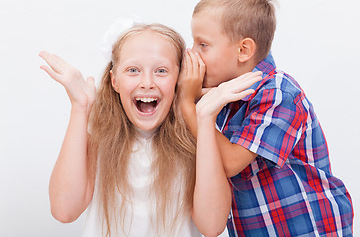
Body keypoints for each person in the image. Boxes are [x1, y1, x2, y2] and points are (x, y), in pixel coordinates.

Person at [40, 22, 259, 237]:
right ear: (115, 81)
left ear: (178, 80)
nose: (147, 83)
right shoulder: (97, 138)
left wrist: (204, 119)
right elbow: (64, 211)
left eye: (161, 71)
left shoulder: (197, 139)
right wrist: (80, 108)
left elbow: (211, 226)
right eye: (133, 70)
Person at [178, 0, 354, 236]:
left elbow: (230, 163)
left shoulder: (279, 92)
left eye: (203, 45)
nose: (192, 53)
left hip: (308, 227)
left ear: (243, 50)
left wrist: (188, 106)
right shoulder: (225, 97)